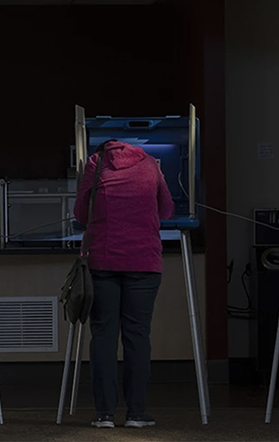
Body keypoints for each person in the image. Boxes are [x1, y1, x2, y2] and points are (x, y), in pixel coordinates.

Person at [73, 139, 174, 429]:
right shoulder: (151, 165)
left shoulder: (96, 163)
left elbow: (82, 214)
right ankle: (136, 414)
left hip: (103, 262)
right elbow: (166, 209)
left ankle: (104, 414)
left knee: (103, 335)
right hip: (144, 262)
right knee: (137, 336)